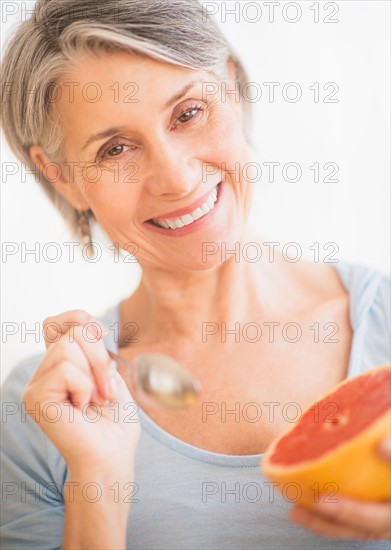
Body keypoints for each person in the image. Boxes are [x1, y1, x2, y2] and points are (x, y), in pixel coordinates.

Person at [1, 0, 390, 548]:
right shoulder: (44, 411)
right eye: (117, 149)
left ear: (230, 84)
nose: (177, 179)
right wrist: (100, 485)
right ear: (61, 177)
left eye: (187, 113)